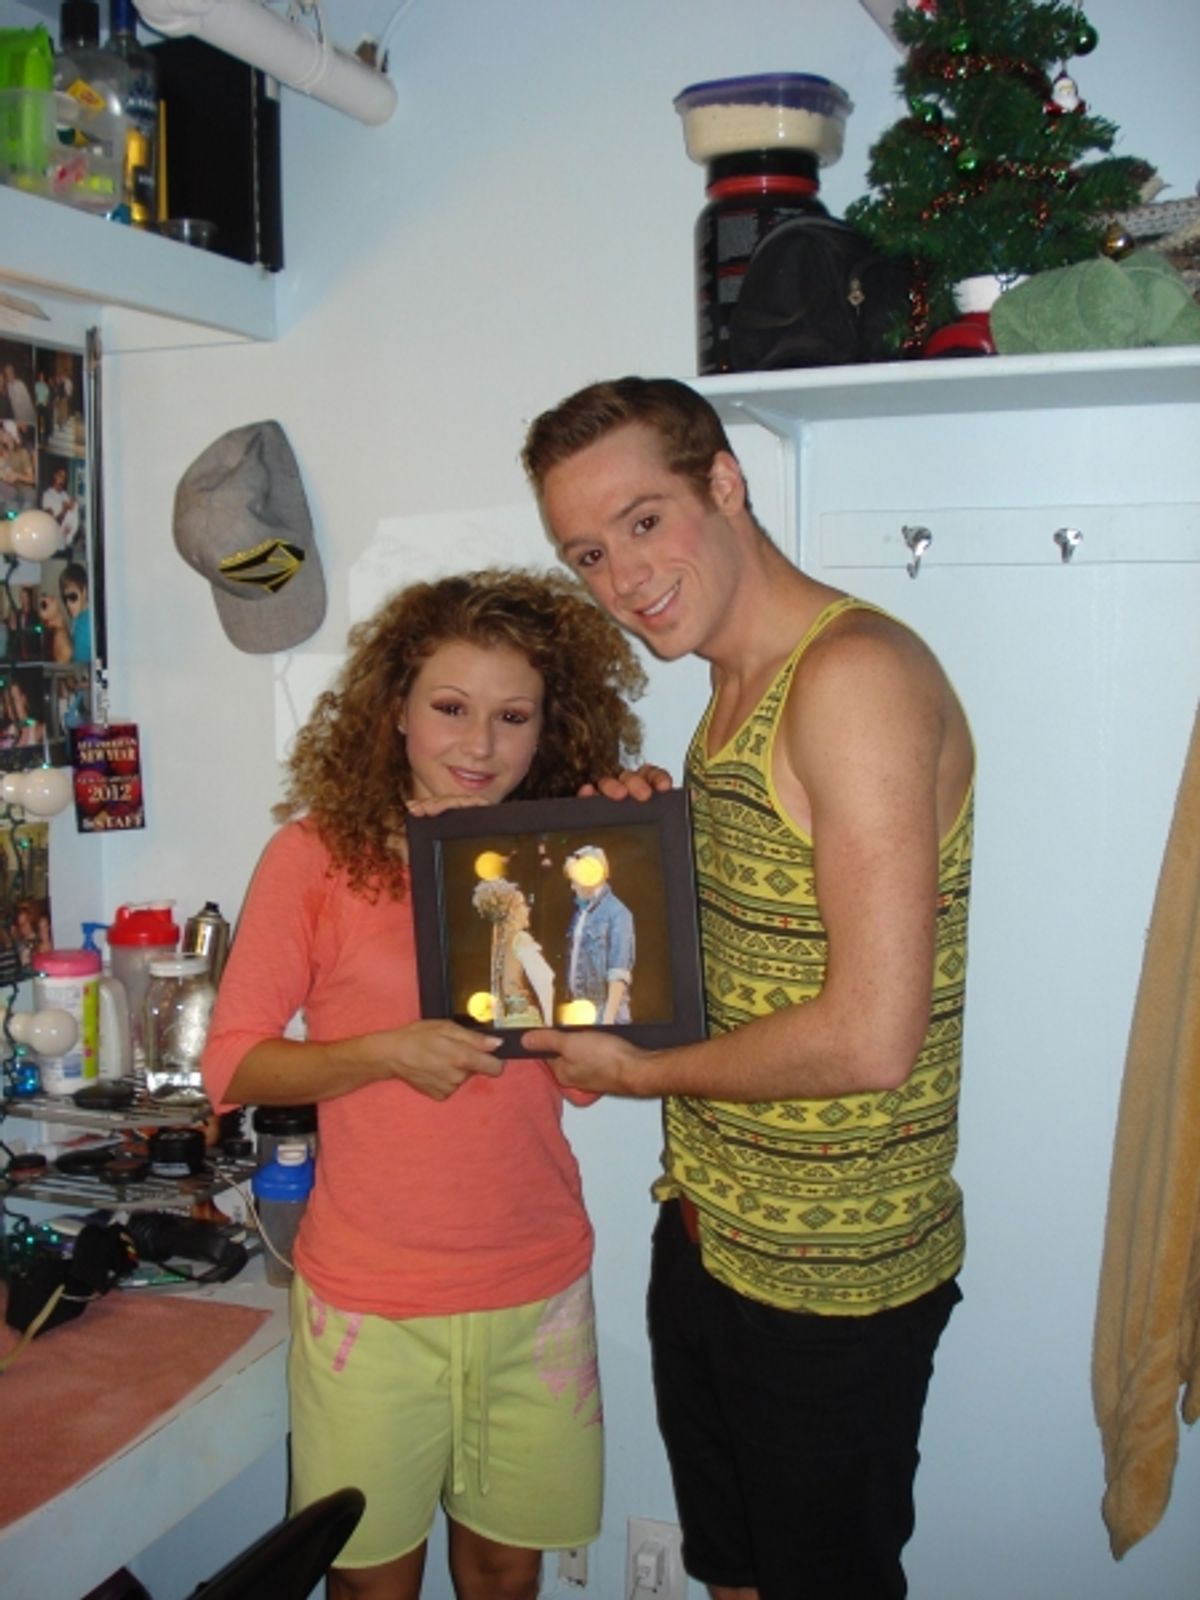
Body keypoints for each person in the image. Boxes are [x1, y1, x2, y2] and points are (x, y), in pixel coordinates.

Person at [520, 377, 976, 1600]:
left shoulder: (853, 677)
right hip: (712, 1228)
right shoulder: (729, 697)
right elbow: (763, 939)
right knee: (733, 1574)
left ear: (724, 482)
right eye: (589, 553)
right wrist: (649, 845)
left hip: (829, 1277)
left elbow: (870, 1036)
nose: (623, 578)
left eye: (644, 521)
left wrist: (639, 1075)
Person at [201, 566, 645, 1600]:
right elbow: (234, 1064)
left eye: (512, 716)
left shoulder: (558, 857)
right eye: (450, 707)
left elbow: (592, 1071)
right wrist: (385, 1052)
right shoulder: (316, 856)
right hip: (370, 1299)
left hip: (535, 1284)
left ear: (549, 726)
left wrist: (640, 844)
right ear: (395, 708)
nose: (479, 745)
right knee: (367, 1581)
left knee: (505, 1574)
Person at [562, 845, 634, 1025]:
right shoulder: (580, 912)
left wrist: (607, 1021)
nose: (572, 886)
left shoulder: (618, 913)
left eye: (575, 881)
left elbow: (618, 972)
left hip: (604, 1014)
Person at [472, 877, 555, 1026]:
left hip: (506, 1021)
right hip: (525, 1020)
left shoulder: (498, 944)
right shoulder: (520, 939)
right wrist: (549, 1022)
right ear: (512, 911)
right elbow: (544, 981)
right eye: (522, 904)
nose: (527, 909)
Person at [59, 563, 91, 662]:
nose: (68, 604)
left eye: (73, 597)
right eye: (65, 598)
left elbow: (77, 664)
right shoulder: (78, 619)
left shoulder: (84, 624)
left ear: (84, 592)